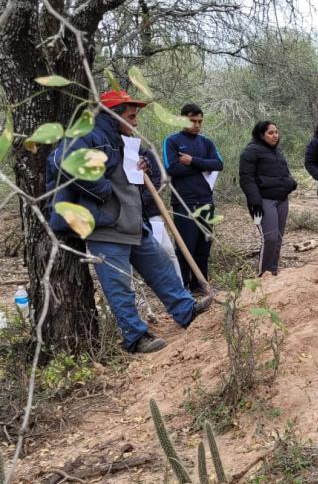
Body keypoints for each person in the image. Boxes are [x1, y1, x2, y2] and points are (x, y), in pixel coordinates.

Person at [46, 89, 212, 354]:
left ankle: (186, 310)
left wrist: (139, 163)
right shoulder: (87, 135)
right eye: (132, 116)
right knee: (120, 286)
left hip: (134, 223)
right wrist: (100, 190)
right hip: (106, 228)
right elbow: (62, 161)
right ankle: (135, 337)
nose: (135, 122)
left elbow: (124, 177)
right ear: (113, 114)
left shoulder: (122, 141)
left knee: (162, 269)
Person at [162, 103, 223, 294]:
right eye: (192, 121)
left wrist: (192, 161)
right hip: (183, 202)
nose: (197, 125)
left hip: (206, 200)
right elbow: (172, 168)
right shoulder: (171, 141)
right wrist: (203, 166)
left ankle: (200, 285)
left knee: (204, 245)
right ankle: (183, 287)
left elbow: (218, 164)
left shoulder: (207, 142)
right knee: (184, 246)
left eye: (199, 121)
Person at [239, 120, 297, 276]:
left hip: (282, 199)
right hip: (264, 201)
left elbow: (284, 172)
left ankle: (273, 271)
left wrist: (291, 183)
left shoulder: (277, 151)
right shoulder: (250, 152)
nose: (275, 136)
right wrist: (255, 201)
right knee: (270, 238)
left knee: (278, 238)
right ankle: (263, 274)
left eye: (276, 132)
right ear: (261, 134)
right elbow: (246, 179)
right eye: (270, 133)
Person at [139, 145, 182, 282]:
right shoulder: (109, 152)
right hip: (124, 216)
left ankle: (181, 291)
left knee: (168, 252)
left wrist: (139, 202)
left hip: (150, 212)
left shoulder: (145, 152)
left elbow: (156, 180)